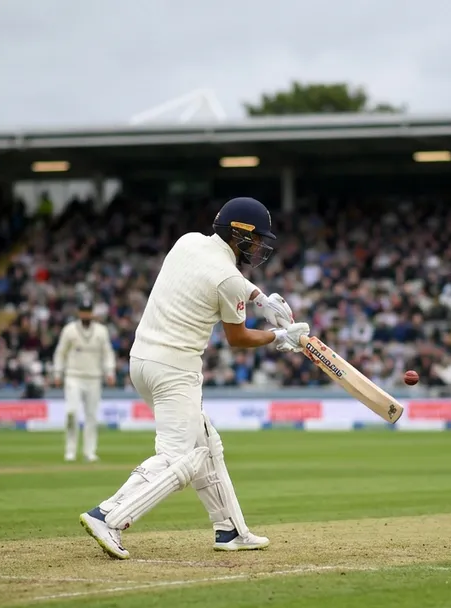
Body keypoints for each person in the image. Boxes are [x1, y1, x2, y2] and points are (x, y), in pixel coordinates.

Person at [79, 197, 308, 559]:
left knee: (206, 445)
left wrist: (261, 299)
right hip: (175, 369)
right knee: (177, 458)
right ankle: (108, 515)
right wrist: (281, 337)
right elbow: (238, 338)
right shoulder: (229, 279)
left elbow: (221, 277)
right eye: (258, 239)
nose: (262, 246)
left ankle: (230, 529)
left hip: (142, 361)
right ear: (239, 236)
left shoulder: (188, 241)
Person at [53, 300, 116, 462]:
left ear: (92, 313)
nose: (85, 314)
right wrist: (58, 373)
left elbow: (107, 353)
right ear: (78, 313)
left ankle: (89, 452)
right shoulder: (70, 330)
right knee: (72, 413)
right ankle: (70, 451)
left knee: (91, 417)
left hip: (94, 378)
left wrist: (109, 371)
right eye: (83, 311)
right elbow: (60, 352)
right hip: (73, 376)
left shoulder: (101, 331)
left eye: (88, 311)